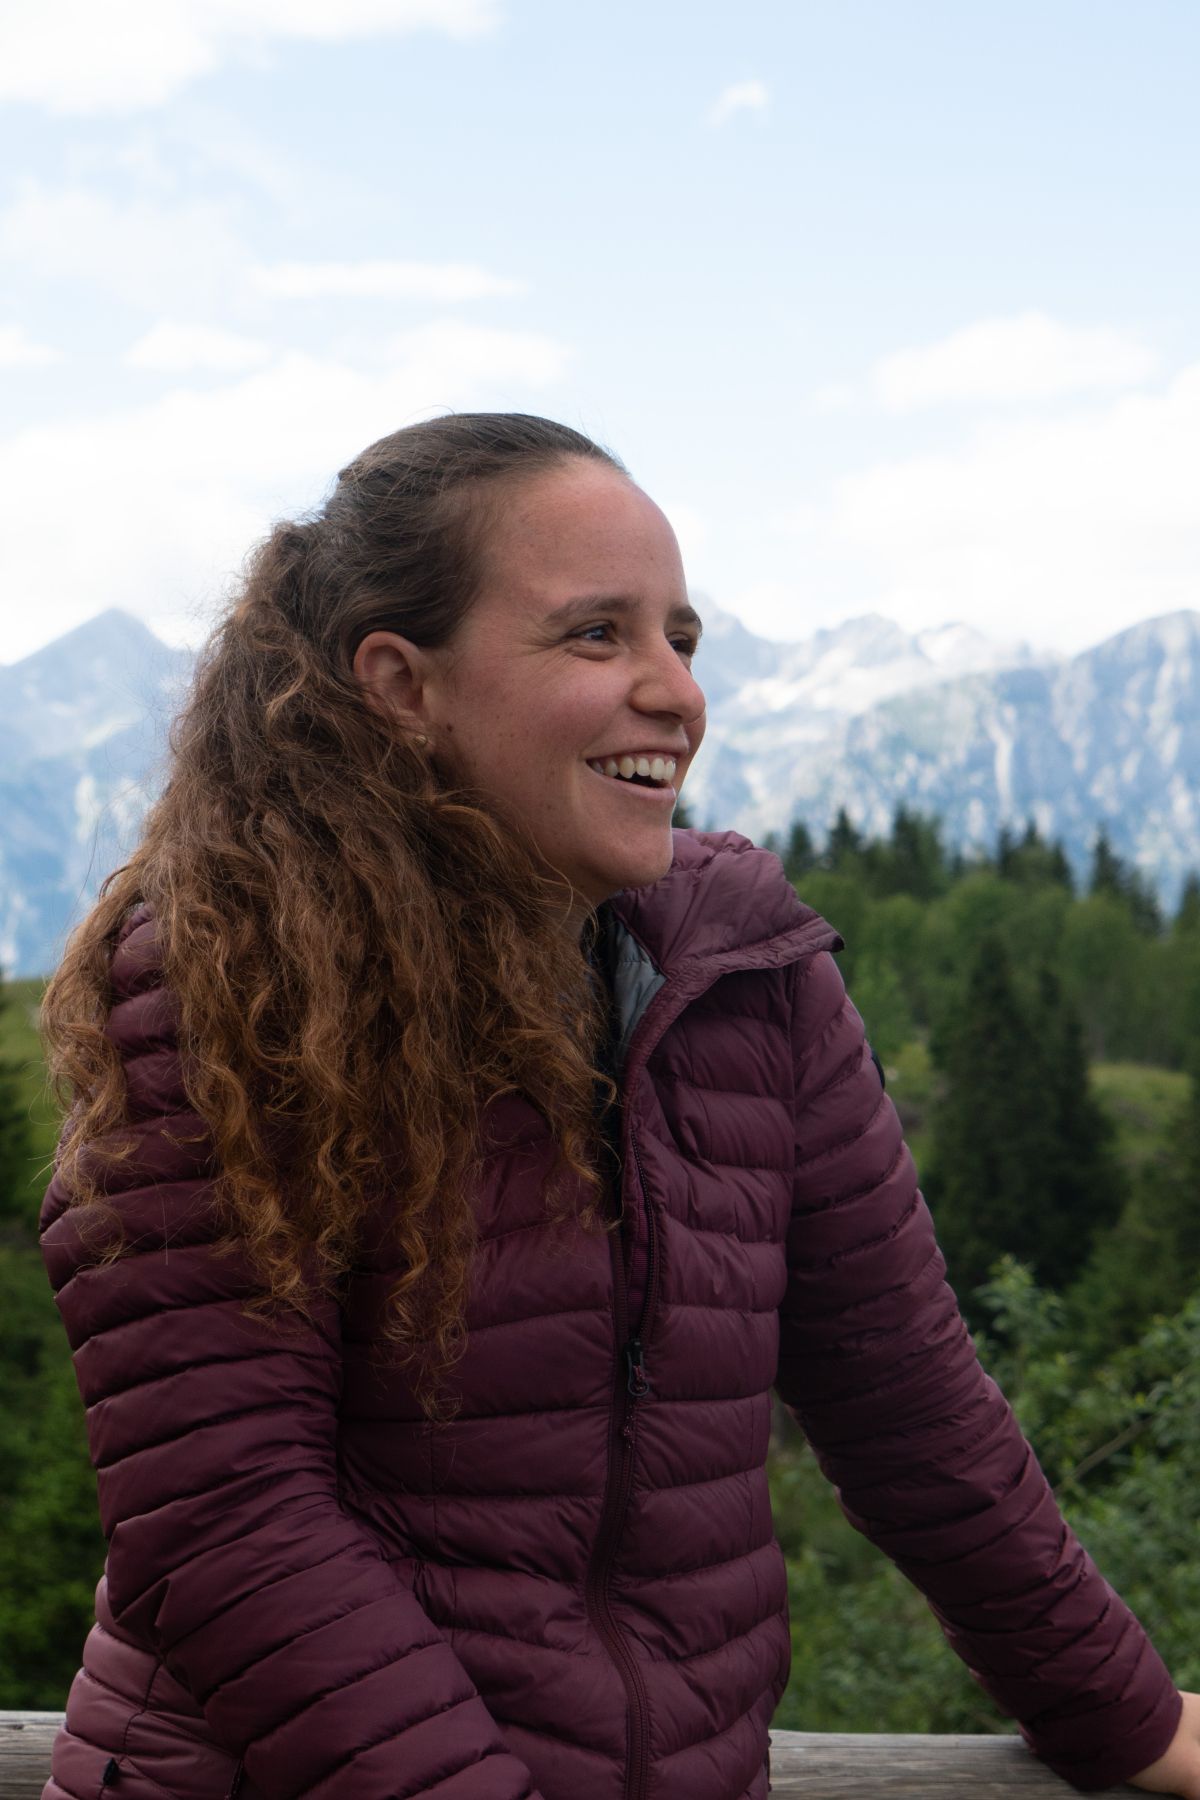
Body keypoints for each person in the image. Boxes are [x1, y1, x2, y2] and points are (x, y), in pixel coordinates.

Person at [38, 412, 1200, 1800]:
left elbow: (908, 1401)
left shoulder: (748, 973)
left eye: (682, 639)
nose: (677, 693)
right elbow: (229, 1523)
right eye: (597, 635)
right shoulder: (229, 981)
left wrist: (1130, 1723)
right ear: (403, 684)